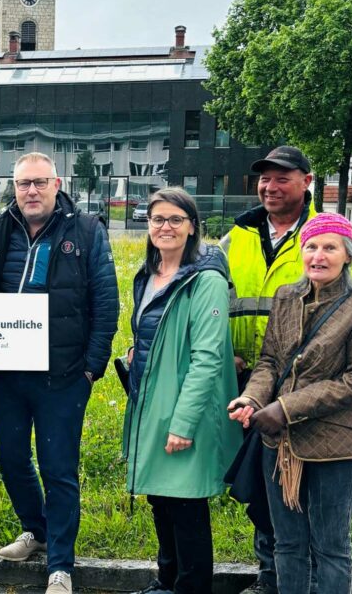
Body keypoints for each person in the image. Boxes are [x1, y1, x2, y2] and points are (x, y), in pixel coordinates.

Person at [220, 146, 352, 594]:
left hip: (318, 415)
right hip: (252, 386)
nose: (270, 186)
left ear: (307, 181)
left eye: (282, 177)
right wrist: (251, 393)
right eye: (264, 178)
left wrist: (284, 405)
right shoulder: (238, 236)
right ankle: (271, 580)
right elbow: (264, 348)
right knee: (270, 512)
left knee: (329, 541)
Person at [0, 152, 118, 594]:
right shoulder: (0, 227)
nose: (31, 191)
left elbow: (106, 304)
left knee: (59, 469)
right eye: (23, 184)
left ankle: (61, 564)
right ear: (13, 187)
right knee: (12, 460)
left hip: (63, 375)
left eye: (39, 183)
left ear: (57, 183)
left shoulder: (87, 230)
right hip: (5, 373)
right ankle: (35, 531)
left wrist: (92, 368)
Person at [122, 188, 241, 594]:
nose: (165, 227)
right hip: (151, 403)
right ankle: (166, 582)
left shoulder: (205, 280)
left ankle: (190, 588)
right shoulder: (149, 275)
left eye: (176, 219)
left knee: (186, 504)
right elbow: (152, 331)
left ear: (192, 226)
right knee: (161, 499)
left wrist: (184, 423)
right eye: (158, 219)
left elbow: (208, 358)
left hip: (182, 409)